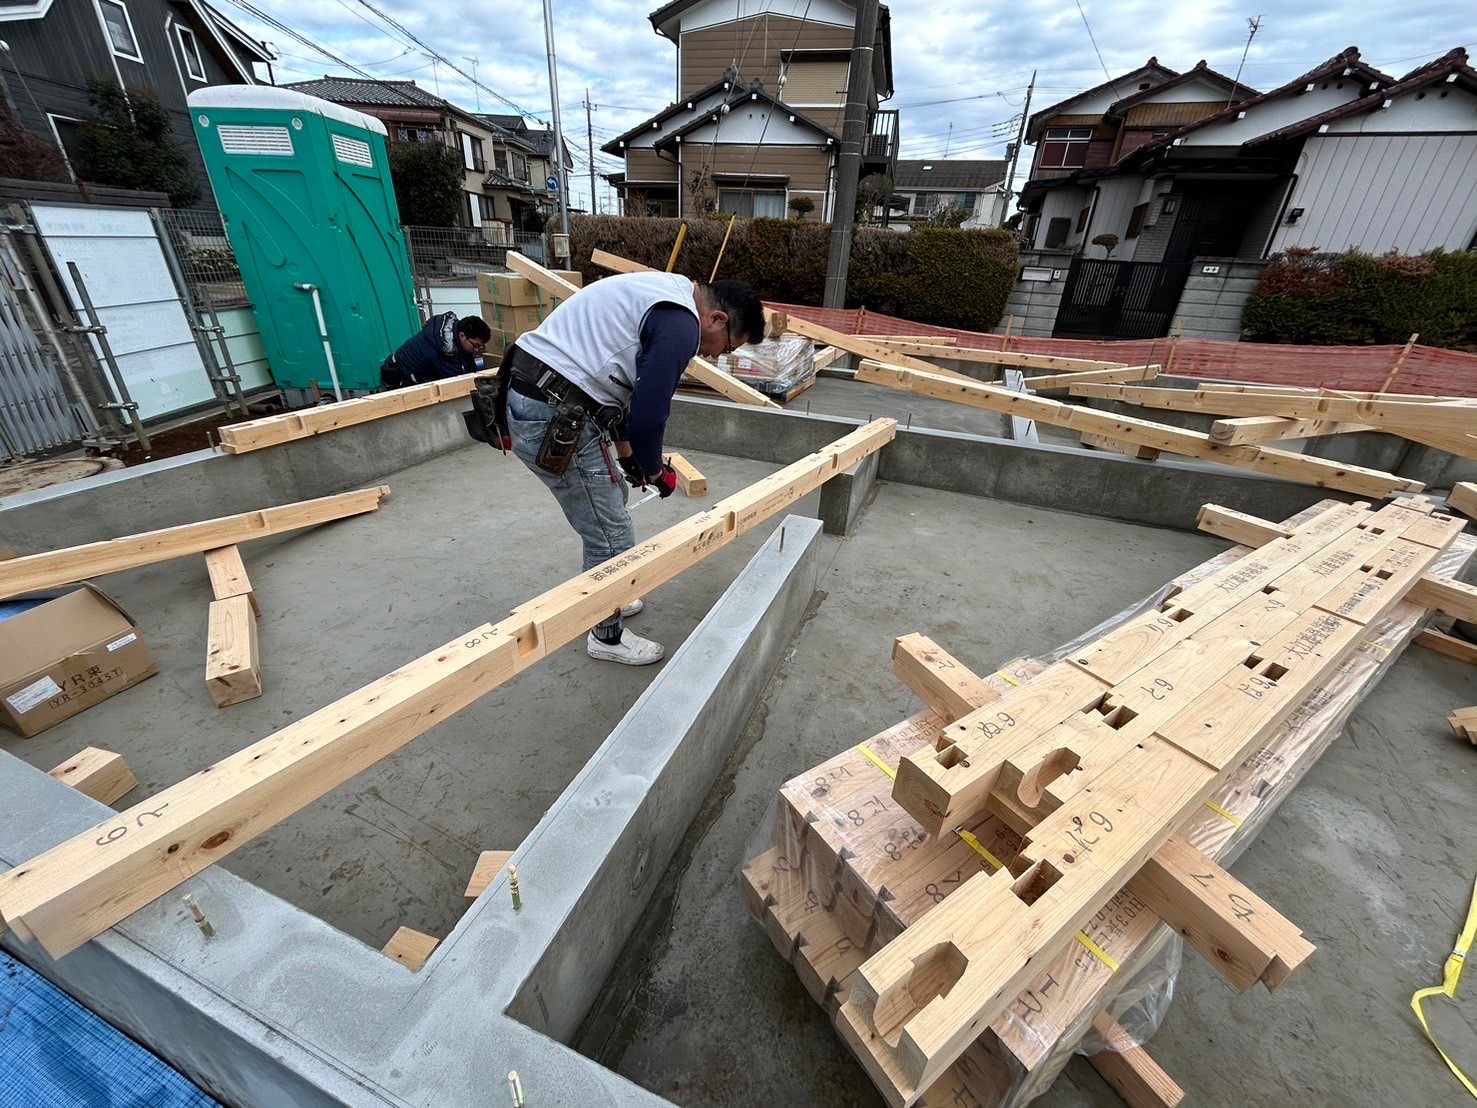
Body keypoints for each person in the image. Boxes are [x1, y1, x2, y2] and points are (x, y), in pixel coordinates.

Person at [488, 271, 765, 666]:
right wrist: (653, 469)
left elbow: (618, 388)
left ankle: (612, 591)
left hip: (549, 397)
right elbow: (650, 416)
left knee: (611, 499)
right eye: (727, 346)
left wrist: (628, 455)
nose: (717, 356)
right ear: (718, 319)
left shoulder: (668, 294)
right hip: (552, 412)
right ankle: (606, 635)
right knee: (611, 535)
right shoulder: (681, 325)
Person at [381, 312, 492, 388]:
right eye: (476, 345)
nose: (477, 350)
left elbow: (469, 367)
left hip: (405, 368)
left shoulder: (455, 333)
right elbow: (454, 385)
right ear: (462, 336)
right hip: (401, 378)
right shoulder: (445, 350)